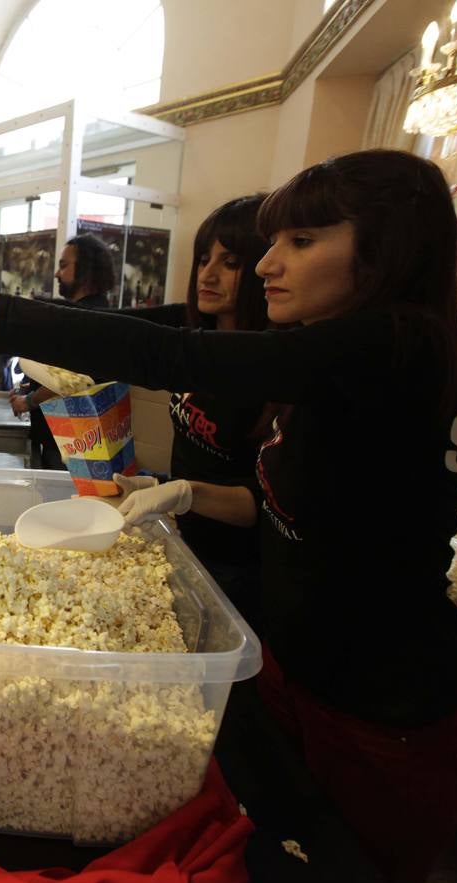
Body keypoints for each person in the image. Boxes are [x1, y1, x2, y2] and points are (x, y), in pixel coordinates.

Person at [0, 150, 457, 883]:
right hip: (293, 673)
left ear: (384, 248)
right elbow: (306, 506)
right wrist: (182, 492)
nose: (266, 266)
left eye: (301, 241)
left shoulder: (399, 347)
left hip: (383, 715)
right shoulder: (341, 365)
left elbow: (175, 352)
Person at [113, 195, 273, 631]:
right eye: (204, 259)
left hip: (240, 565)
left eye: (231, 262)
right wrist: (162, 485)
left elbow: (267, 501)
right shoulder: (193, 348)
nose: (208, 274)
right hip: (188, 541)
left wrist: (187, 493)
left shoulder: (272, 371)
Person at [12, 233, 117, 467]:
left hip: (71, 442)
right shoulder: (93, 312)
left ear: (87, 270)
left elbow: (73, 380)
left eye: (63, 266)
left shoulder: (87, 318)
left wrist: (28, 400)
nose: (57, 274)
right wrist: (33, 385)